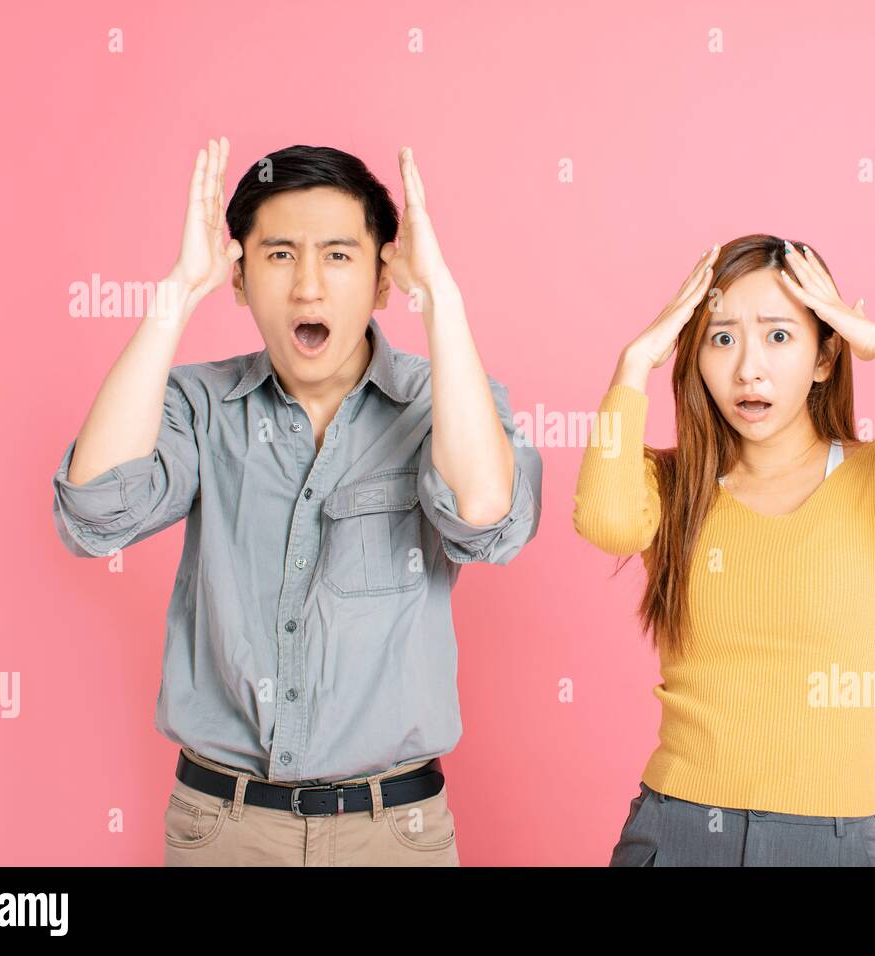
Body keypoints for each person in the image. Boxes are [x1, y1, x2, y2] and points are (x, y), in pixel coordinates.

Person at [51, 139, 542, 866]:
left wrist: (440, 299)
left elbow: (486, 516)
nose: (309, 287)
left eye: (339, 256)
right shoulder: (199, 403)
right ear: (241, 279)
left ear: (382, 281)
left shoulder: (444, 403)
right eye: (279, 255)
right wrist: (177, 293)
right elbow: (93, 513)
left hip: (394, 832)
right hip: (221, 827)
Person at [573, 234, 875, 866]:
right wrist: (633, 363)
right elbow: (606, 523)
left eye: (780, 336)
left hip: (829, 841)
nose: (748, 369)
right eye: (722, 337)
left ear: (824, 358)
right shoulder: (667, 482)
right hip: (678, 827)